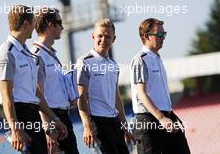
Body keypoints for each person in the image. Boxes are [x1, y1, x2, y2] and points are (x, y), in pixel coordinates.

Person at [0, 5, 68, 154]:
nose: (36, 26)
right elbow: (6, 95)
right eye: (33, 22)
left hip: (32, 113)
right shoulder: (7, 53)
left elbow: (35, 91)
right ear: (26, 24)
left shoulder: (26, 53)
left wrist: (55, 119)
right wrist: (15, 129)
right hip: (19, 114)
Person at [130, 18, 190, 154]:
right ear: (146, 36)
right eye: (159, 35)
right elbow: (141, 93)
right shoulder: (140, 59)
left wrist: (166, 117)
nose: (163, 38)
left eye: (164, 34)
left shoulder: (158, 58)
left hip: (166, 116)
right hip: (148, 120)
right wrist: (161, 118)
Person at [76, 19, 133, 154]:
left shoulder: (114, 65)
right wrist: (87, 125)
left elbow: (116, 97)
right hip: (97, 122)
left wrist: (125, 126)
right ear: (93, 37)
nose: (103, 39)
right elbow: (81, 96)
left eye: (108, 36)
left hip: (115, 123)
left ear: (113, 39)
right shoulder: (85, 62)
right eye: (100, 35)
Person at [31, 6, 79, 154]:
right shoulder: (37, 56)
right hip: (53, 119)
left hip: (62, 117)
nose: (62, 27)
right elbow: (38, 96)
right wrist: (49, 129)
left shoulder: (50, 54)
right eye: (59, 22)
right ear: (50, 25)